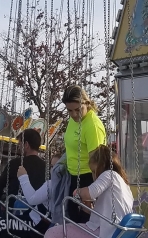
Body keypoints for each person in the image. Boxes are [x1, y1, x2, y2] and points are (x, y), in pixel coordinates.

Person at [44, 145, 133, 238]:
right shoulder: (124, 184)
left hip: (105, 231)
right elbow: (106, 211)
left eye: (94, 171)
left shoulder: (109, 175)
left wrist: (78, 192)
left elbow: (90, 193)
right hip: (115, 230)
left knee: (52, 233)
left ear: (101, 166)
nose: (93, 176)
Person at [62, 85, 107, 224]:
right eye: (70, 111)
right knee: (71, 214)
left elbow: (97, 162)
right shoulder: (73, 120)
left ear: (86, 104)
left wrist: (93, 192)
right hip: (73, 176)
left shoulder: (92, 125)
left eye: (78, 110)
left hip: (88, 177)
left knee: (84, 219)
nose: (74, 114)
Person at [17, 153, 63, 226]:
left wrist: (23, 177)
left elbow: (32, 199)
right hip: (42, 220)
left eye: (56, 166)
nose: (53, 169)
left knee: (1, 223)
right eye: (51, 166)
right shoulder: (65, 185)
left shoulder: (51, 184)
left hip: (36, 222)